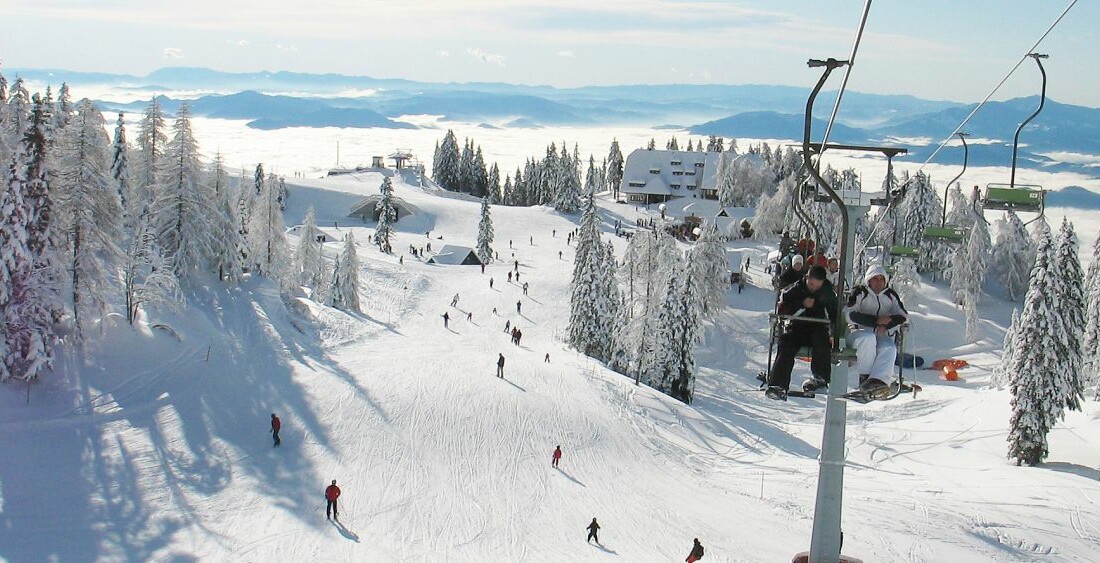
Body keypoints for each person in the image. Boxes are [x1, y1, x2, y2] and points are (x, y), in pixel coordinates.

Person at [765, 265, 837, 400]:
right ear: (806, 278)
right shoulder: (795, 289)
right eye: (811, 284)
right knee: (786, 342)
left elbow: (834, 316)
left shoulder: (828, 294)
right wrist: (801, 304)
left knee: (821, 339)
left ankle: (821, 378)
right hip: (797, 328)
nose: (813, 288)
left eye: (817, 286)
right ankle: (778, 384)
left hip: (818, 328)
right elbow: (783, 310)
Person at [846, 264, 908, 393]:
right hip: (857, 333)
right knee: (868, 338)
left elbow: (903, 316)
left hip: (879, 334)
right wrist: (875, 322)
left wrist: (886, 325)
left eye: (881, 279)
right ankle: (865, 378)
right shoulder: (860, 293)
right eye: (875, 279)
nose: (878, 282)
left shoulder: (890, 295)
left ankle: (879, 380)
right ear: (869, 280)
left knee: (889, 347)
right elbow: (849, 314)